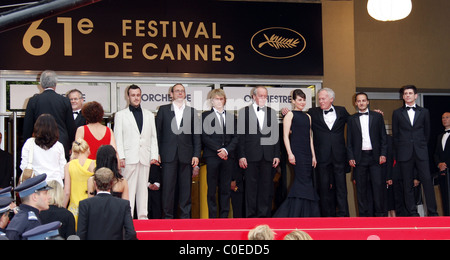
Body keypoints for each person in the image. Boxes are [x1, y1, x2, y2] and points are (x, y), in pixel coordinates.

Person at [156, 83, 201, 219]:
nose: (180, 93)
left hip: (186, 156)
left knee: (186, 190)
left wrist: (196, 155)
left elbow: (196, 135)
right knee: (168, 190)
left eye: (182, 91)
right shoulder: (163, 110)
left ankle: (185, 219)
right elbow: (158, 134)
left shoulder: (192, 111)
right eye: (177, 91)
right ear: (171, 94)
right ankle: (167, 218)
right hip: (168, 156)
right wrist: (156, 153)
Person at [114, 84, 159, 219]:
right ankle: (127, 217)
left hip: (144, 156)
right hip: (128, 157)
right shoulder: (120, 115)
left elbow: (153, 137)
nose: (136, 98)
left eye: (138, 95)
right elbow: (118, 138)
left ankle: (143, 216)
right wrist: (120, 156)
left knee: (142, 189)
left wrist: (154, 155)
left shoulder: (149, 115)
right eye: (133, 95)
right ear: (128, 97)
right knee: (128, 189)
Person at [392, 85, 438, 216]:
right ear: (403, 96)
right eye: (405, 93)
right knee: (407, 184)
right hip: (405, 153)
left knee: (427, 182)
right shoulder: (397, 113)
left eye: (410, 93)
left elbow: (427, 133)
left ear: (415, 96)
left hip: (421, 152)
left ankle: (433, 212)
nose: (407, 95)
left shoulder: (424, 112)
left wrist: (421, 146)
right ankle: (412, 213)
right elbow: (396, 135)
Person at [274, 89, 320, 218]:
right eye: (299, 100)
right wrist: (290, 153)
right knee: (301, 180)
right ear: (293, 101)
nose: (302, 102)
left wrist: (313, 155)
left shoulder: (308, 116)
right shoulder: (290, 115)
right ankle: (294, 213)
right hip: (297, 152)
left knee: (306, 181)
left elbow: (309, 137)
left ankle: (304, 213)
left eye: (304, 100)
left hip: (307, 153)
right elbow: (285, 136)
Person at [238, 86, 280, 218]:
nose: (263, 98)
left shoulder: (272, 112)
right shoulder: (244, 112)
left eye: (265, 96)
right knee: (250, 188)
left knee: (266, 188)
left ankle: (264, 217)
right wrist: (241, 155)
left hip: (267, 155)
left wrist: (276, 155)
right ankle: (250, 217)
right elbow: (241, 136)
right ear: (254, 96)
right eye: (261, 96)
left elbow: (275, 136)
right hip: (250, 155)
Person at [308, 88, 350, 217]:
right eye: (319, 99)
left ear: (331, 99)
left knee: (341, 188)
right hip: (322, 156)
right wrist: (288, 113)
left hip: (339, 155)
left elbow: (355, 121)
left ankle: (343, 215)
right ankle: (326, 216)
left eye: (323, 98)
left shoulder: (342, 111)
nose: (320, 101)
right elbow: (301, 120)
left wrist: (374, 114)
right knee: (324, 188)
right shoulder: (312, 112)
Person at [347, 93, 388, 217]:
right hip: (359, 159)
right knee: (360, 190)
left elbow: (383, 138)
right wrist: (351, 157)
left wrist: (383, 154)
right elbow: (349, 141)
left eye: (363, 100)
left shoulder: (377, 117)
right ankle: (363, 217)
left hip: (375, 157)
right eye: (358, 101)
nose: (361, 103)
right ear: (355, 103)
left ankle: (380, 215)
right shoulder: (351, 119)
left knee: (378, 187)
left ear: (368, 102)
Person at [202, 89, 239, 218]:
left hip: (228, 157)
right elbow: (204, 136)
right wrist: (219, 149)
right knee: (211, 189)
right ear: (211, 101)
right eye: (216, 99)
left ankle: (224, 218)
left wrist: (226, 150)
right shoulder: (205, 116)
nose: (219, 101)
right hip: (212, 156)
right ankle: (212, 218)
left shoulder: (231, 117)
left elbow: (236, 137)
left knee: (225, 189)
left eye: (221, 99)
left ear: (225, 100)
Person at [23, 70, 76, 160]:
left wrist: (27, 143)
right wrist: (71, 144)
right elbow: (70, 126)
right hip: (61, 142)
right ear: (55, 83)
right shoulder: (64, 101)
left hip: (39, 143)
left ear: (41, 83)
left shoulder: (33, 101)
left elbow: (27, 126)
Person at [77, 167, 137, 240]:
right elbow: (131, 233)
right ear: (111, 183)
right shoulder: (123, 204)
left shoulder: (85, 204)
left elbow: (81, 234)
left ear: (95, 183)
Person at [20, 114, 66, 187]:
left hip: (35, 184)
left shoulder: (29, 143)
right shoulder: (59, 146)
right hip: (55, 184)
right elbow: (63, 170)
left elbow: (24, 165)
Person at [5, 174, 52, 240]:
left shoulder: (19, 217)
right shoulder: (32, 222)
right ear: (34, 197)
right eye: (45, 193)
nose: (49, 197)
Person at [63, 139, 95, 226]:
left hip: (73, 209)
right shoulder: (93, 164)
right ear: (87, 149)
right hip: (89, 207)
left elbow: (66, 192)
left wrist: (62, 209)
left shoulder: (68, 165)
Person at [434, 112, 450, 216]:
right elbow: (435, 153)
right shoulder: (440, 136)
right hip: (443, 172)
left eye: (447, 117)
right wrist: (439, 164)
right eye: (443, 118)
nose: (444, 120)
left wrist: (446, 164)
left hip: (449, 169)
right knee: (444, 195)